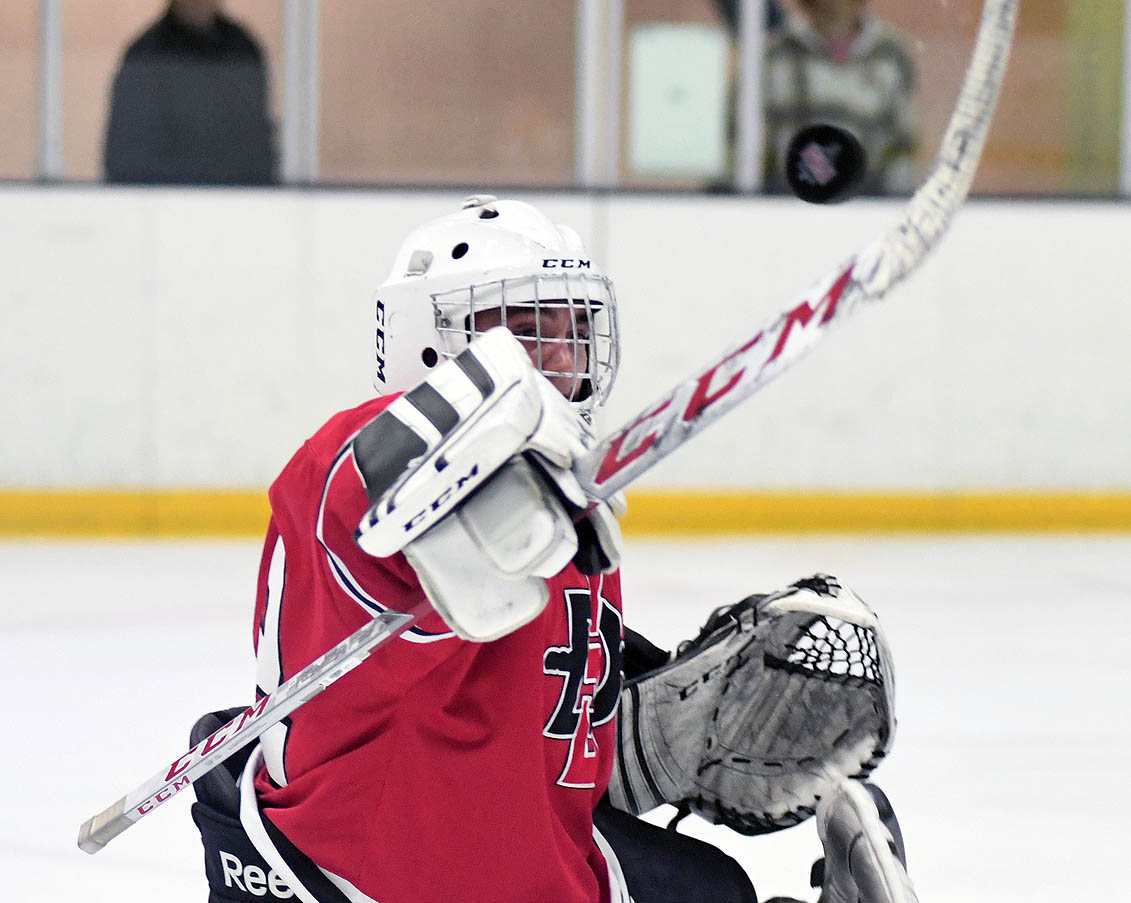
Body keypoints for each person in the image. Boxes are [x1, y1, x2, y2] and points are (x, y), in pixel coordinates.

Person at [188, 196, 918, 903]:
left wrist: (630, 720)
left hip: (517, 845)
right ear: (430, 338)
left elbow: (520, 672)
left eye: (573, 330)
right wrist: (470, 458)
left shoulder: (563, 491)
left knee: (711, 887)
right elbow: (370, 487)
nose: (560, 357)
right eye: (528, 332)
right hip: (374, 869)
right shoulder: (353, 460)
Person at [103, 0, 276, 185]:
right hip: (160, 204)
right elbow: (126, 158)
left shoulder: (243, 52)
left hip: (236, 203)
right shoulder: (145, 56)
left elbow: (258, 148)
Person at [763, 0, 919, 195]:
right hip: (786, 205)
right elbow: (748, 152)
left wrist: (894, 205)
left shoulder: (890, 54)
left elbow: (902, 148)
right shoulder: (776, 54)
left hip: (867, 206)